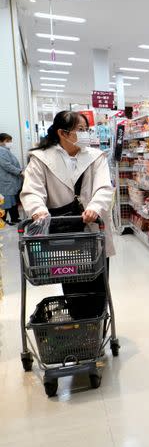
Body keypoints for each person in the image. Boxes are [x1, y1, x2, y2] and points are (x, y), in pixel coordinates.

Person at [20, 110, 115, 318]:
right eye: (81, 130)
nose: (86, 134)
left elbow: (104, 188)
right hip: (64, 232)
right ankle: (78, 320)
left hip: (92, 227)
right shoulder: (41, 158)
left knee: (97, 278)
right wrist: (38, 211)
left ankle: (96, 324)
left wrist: (95, 207)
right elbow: (32, 190)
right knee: (71, 278)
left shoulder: (95, 156)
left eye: (87, 129)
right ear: (63, 133)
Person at [0, 132, 22, 224]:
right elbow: (7, 165)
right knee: (6, 202)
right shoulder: (1, 151)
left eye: (10, 141)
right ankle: (3, 220)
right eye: (8, 141)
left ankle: (14, 218)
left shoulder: (5, 150)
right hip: (6, 181)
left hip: (10, 180)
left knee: (12, 201)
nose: (10, 142)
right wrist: (20, 171)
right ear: (1, 142)